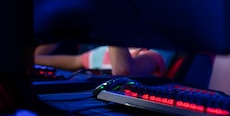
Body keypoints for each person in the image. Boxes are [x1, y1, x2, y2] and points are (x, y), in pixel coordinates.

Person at [34, 43, 175, 77]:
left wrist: (111, 19)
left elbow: (123, 70)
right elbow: (76, 62)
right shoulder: (105, 49)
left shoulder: (160, 50)